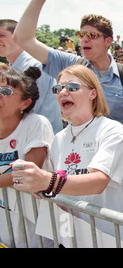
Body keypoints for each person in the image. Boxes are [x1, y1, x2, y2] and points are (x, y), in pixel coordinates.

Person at [11, 64, 123, 247]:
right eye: (58, 88)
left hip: (118, 238)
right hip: (79, 238)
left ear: (93, 94)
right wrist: (41, 188)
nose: (63, 92)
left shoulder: (112, 130)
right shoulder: (58, 139)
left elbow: (98, 182)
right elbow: (55, 185)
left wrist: (46, 181)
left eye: (72, 87)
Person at [12, 0, 123, 129]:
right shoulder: (70, 65)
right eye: (81, 34)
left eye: (92, 35)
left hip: (114, 148)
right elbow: (23, 39)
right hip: (75, 149)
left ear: (108, 41)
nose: (84, 39)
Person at [0, 67, 54, 248]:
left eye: (5, 92)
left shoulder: (36, 124)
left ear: (25, 103)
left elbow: (26, 172)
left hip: (34, 230)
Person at [0, 19, 63, 133]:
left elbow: (29, 109)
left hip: (41, 137)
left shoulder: (36, 65)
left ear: (16, 37)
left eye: (2, 35)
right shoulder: (12, 67)